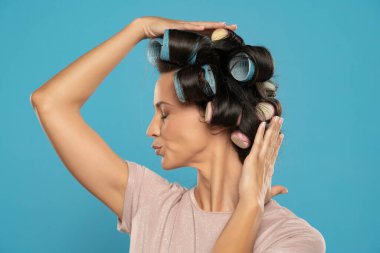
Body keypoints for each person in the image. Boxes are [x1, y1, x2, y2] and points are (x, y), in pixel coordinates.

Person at [30, 16, 326, 252]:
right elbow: (51, 103)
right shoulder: (150, 204)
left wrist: (250, 206)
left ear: (218, 117)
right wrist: (138, 28)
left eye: (165, 113)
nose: (151, 129)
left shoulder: (291, 239)